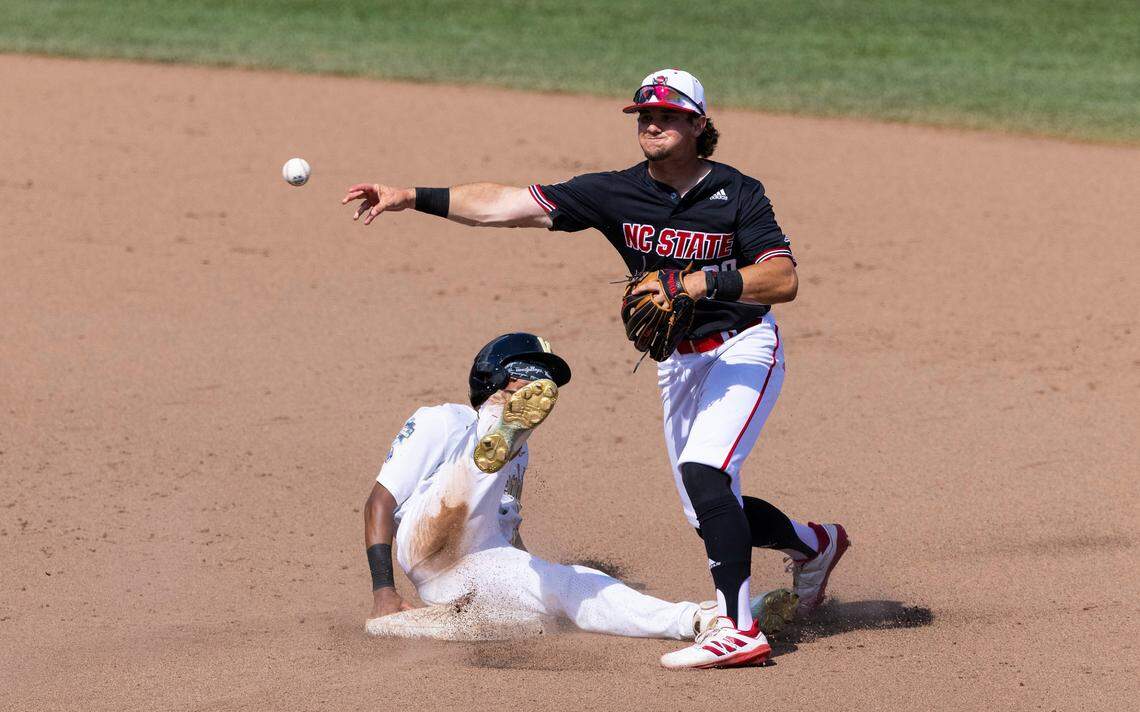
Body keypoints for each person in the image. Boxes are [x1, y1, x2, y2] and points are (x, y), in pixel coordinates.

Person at [345, 69, 848, 670]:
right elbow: (506, 206)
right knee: (705, 505)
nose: (652, 123)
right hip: (678, 365)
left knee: (705, 471)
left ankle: (737, 630)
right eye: (643, 115)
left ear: (698, 124)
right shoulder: (615, 192)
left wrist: (700, 281)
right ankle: (813, 544)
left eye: (665, 114)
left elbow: (783, 278)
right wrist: (412, 197)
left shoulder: (739, 192)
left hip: (743, 347)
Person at [363, 332, 800, 645]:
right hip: (427, 537)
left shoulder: (520, 455)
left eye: (543, 382)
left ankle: (703, 620)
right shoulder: (440, 420)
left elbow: (505, 532)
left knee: (573, 587)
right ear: (492, 379)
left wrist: (537, 576)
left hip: (473, 570)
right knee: (479, 461)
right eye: (529, 376)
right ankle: (498, 422)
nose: (542, 386)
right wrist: (384, 589)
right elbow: (379, 502)